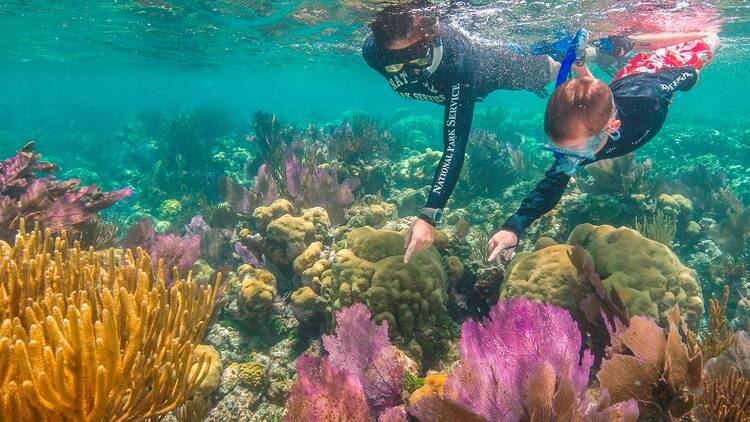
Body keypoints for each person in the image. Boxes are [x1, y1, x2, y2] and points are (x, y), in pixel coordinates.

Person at [363, 1, 585, 263]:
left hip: (490, 67)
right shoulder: (372, 53)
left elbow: (455, 146)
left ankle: (592, 52)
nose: (411, 72)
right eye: (395, 65)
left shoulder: (457, 63)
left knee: (550, 69)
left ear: (431, 38)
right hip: (458, 80)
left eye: (418, 59)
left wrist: (429, 214)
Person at [486, 31, 720, 262]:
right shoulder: (578, 145)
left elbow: (685, 75)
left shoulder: (651, 101)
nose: (573, 159)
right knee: (600, 97)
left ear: (612, 128)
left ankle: (616, 47)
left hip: (655, 75)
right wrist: (514, 227)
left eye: (577, 150)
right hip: (618, 86)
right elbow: (551, 185)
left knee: (711, 41)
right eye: (563, 151)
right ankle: (582, 61)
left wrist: (693, 73)